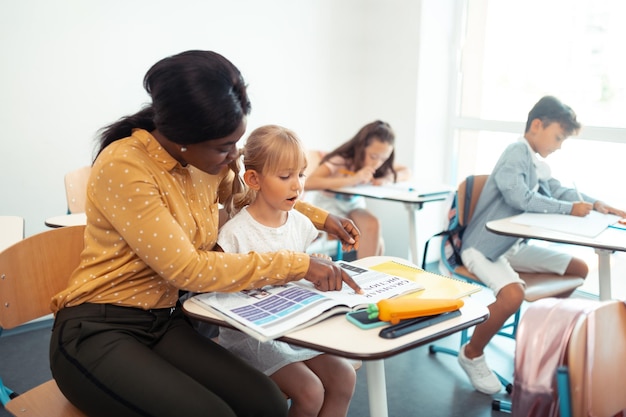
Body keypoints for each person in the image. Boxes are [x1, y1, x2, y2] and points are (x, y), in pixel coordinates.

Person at [48, 50, 363, 417]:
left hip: (166, 322)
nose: (234, 158)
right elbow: (189, 270)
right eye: (224, 147)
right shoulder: (125, 165)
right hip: (99, 328)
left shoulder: (206, 163)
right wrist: (297, 265)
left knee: (268, 402)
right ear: (183, 137)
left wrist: (322, 219)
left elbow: (253, 197)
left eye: (235, 143)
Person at [458, 95, 626, 395]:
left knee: (578, 268)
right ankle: (472, 353)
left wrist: (596, 204)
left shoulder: (534, 161)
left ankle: (542, 337)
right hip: (483, 247)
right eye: (558, 137)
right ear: (537, 125)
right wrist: (569, 209)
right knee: (512, 295)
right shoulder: (516, 152)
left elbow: (558, 191)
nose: (559, 145)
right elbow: (518, 197)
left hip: (511, 247)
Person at [216, 124, 357, 417]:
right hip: (251, 336)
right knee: (310, 391)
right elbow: (219, 295)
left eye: (300, 174)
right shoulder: (235, 234)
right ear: (253, 179)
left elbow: (302, 271)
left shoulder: (301, 224)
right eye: (285, 176)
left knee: (345, 377)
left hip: (292, 329)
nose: (297, 185)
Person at [305, 120, 411, 259]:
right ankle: (367, 274)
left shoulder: (379, 162)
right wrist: (353, 179)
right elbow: (309, 183)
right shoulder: (341, 159)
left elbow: (406, 171)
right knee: (375, 239)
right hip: (329, 204)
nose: (377, 163)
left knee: (374, 225)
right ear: (361, 148)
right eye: (373, 157)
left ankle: (370, 276)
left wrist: (388, 178)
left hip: (354, 204)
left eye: (383, 158)